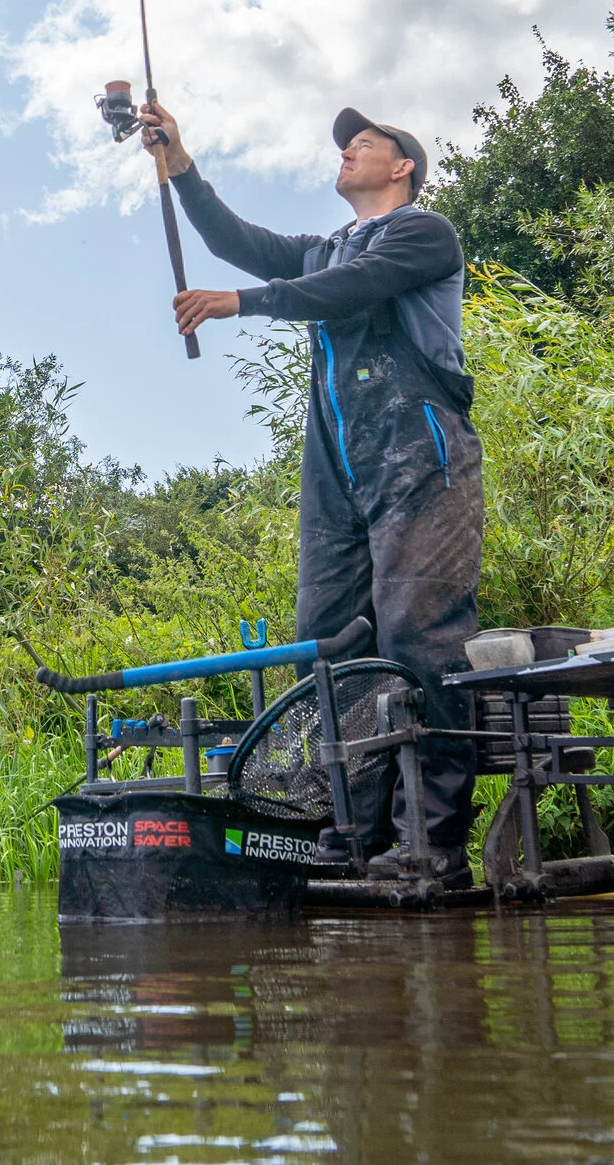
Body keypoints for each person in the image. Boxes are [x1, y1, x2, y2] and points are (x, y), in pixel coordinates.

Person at [140, 99, 482, 881]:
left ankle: (431, 846)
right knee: (328, 648)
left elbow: (351, 291)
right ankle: (348, 836)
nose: (350, 149)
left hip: (421, 456)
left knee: (417, 639)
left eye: (366, 143)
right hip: (338, 471)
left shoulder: (424, 233)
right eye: (348, 142)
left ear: (403, 168)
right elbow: (237, 240)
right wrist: (181, 165)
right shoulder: (323, 247)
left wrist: (242, 302)